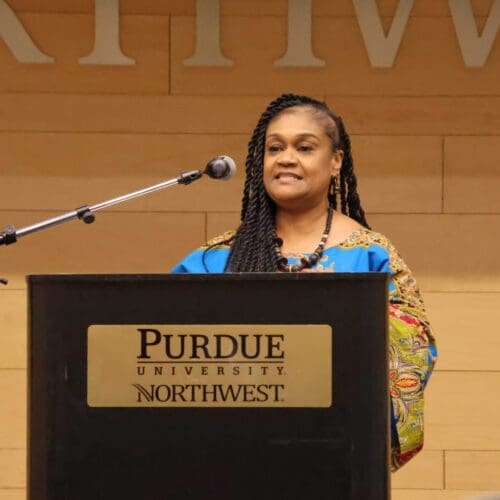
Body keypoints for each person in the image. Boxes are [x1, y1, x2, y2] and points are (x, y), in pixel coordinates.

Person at [172, 93, 437, 471]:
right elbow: (164, 343)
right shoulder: (216, 259)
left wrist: (331, 315)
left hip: (333, 453)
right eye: (274, 147)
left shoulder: (369, 255)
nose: (286, 158)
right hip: (228, 455)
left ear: (335, 162)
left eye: (305, 147)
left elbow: (415, 348)